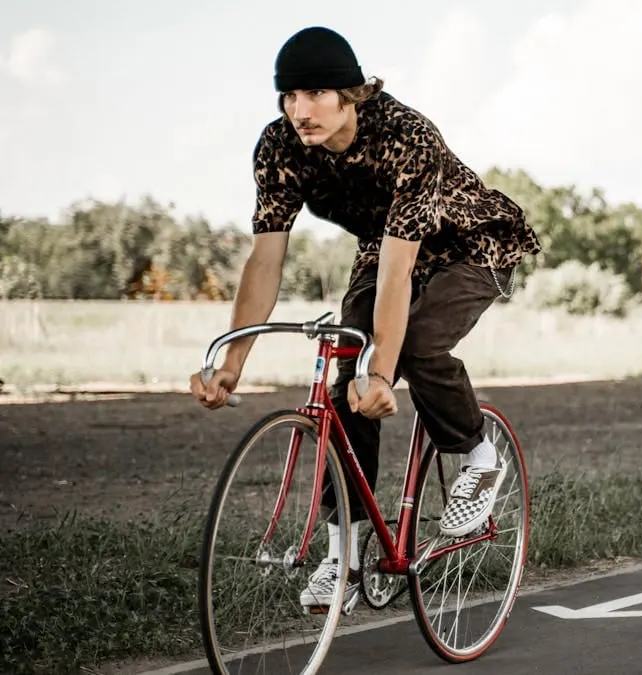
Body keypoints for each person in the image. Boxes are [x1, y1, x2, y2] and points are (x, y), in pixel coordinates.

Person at [188, 26, 542, 610]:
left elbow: (401, 276)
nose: (301, 111)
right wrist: (232, 363)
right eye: (289, 97)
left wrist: (383, 373)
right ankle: (344, 555)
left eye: (317, 94)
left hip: (468, 246)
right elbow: (266, 259)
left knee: (415, 345)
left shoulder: (405, 136)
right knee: (343, 380)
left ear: (350, 92)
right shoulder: (279, 147)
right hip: (385, 249)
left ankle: (478, 456)